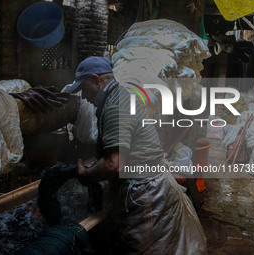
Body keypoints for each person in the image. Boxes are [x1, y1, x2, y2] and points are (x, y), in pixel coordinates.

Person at [66, 56, 207, 254]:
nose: (83, 95)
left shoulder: (115, 107)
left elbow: (113, 165)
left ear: (97, 81)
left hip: (148, 195)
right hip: (152, 188)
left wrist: (85, 174)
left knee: (143, 248)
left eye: (84, 88)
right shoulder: (120, 95)